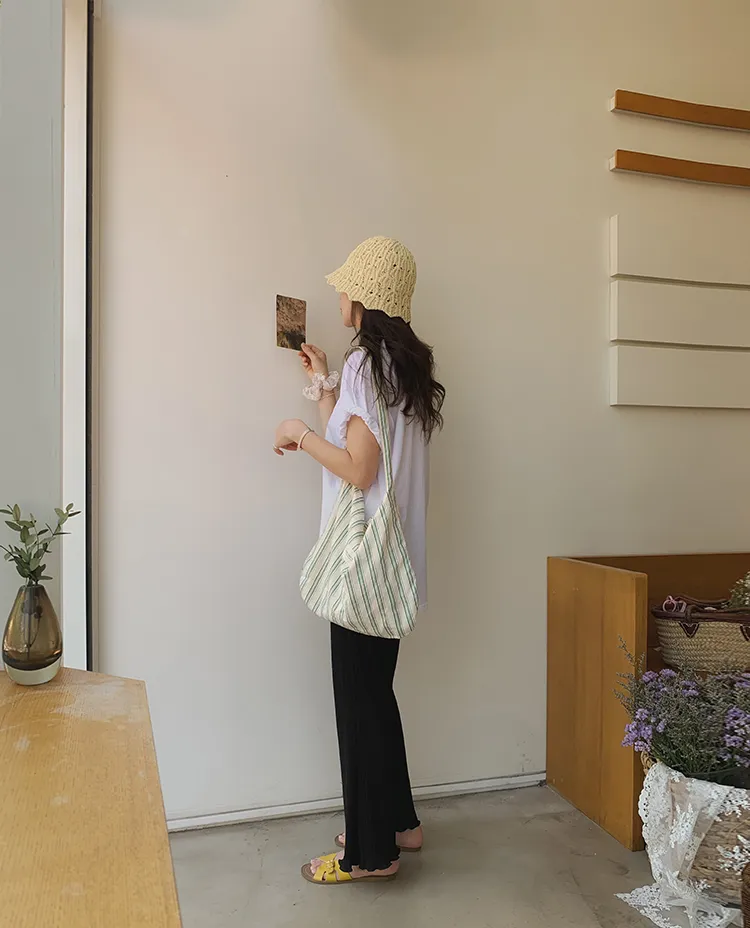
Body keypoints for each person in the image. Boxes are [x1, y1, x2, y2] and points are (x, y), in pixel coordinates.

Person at [273, 236, 445, 885]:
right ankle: (399, 823)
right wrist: (323, 384)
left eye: (347, 285)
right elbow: (362, 440)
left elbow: (359, 469)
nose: (339, 293)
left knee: (358, 705)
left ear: (365, 297)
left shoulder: (367, 366)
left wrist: (298, 433)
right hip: (394, 565)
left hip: (360, 563)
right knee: (376, 696)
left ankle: (371, 852)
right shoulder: (401, 367)